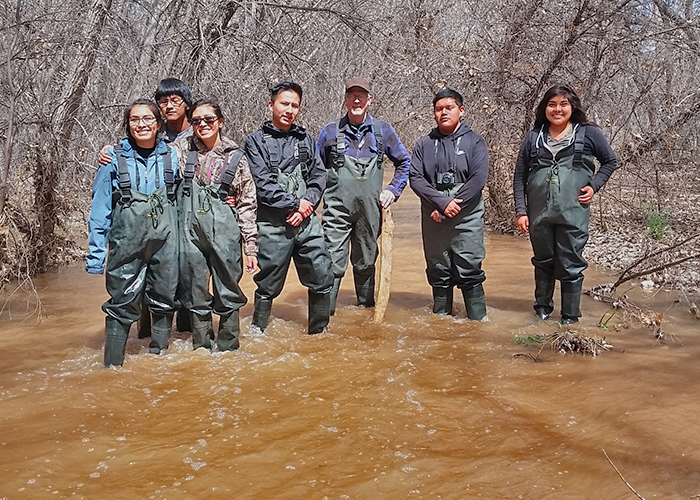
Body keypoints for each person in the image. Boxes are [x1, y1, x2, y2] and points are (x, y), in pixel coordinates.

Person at [513, 84, 617, 324]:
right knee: (543, 261)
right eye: (551, 104)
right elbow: (519, 175)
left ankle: (570, 316)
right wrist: (520, 211)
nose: (557, 109)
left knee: (571, 264)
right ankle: (542, 309)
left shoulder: (589, 133)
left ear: (572, 107)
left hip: (573, 212)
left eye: (563, 104)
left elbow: (610, 161)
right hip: (539, 213)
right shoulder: (534, 137)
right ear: (544, 108)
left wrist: (594, 186)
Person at [86, 99, 179, 366]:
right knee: (121, 302)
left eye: (148, 119)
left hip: (165, 243)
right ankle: (112, 368)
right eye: (135, 120)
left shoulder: (172, 155)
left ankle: (157, 365)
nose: (141, 125)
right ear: (128, 126)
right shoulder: (113, 158)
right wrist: (95, 257)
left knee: (164, 299)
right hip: (126, 243)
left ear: (159, 124)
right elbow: (100, 209)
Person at [98, 78, 194, 337]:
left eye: (175, 100)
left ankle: (172, 346)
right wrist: (112, 151)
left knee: (177, 294)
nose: (169, 105)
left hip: (173, 236)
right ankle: (137, 344)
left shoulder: (194, 138)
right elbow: (101, 208)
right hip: (131, 238)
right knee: (129, 298)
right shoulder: (121, 155)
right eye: (164, 101)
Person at [244, 81, 333, 334]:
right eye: (284, 103)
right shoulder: (254, 142)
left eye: (295, 105)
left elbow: (318, 176)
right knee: (268, 282)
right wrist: (296, 203)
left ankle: (319, 335)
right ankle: (257, 334)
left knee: (321, 274)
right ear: (271, 105)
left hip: (307, 222)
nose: (289, 109)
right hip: (273, 224)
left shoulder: (305, 138)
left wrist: (307, 206)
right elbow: (262, 185)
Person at [317, 77, 411, 314]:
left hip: (370, 210)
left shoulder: (383, 131)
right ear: (346, 100)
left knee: (366, 261)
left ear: (370, 100)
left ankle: (365, 314)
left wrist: (393, 190)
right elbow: (315, 171)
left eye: (361, 95)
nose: (356, 100)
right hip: (336, 210)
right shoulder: (329, 132)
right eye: (352, 95)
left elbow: (404, 162)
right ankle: (325, 318)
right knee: (332, 260)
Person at [172, 98, 258, 351]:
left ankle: (229, 351)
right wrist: (115, 149)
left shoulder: (236, 157)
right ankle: (201, 350)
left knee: (229, 291)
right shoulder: (179, 150)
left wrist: (250, 247)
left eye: (209, 119)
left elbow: (247, 203)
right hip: (189, 235)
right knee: (195, 291)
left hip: (226, 235)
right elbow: (149, 146)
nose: (203, 125)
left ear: (220, 122)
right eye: (196, 120)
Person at [409, 88, 489, 320]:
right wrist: (441, 203)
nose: (443, 113)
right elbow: (416, 179)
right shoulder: (424, 144)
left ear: (461, 111)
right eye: (438, 109)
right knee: (438, 271)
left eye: (449, 108)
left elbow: (478, 179)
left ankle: (478, 324)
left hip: (467, 218)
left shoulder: (475, 142)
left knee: (470, 270)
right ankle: (441, 326)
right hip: (434, 217)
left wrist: (454, 206)